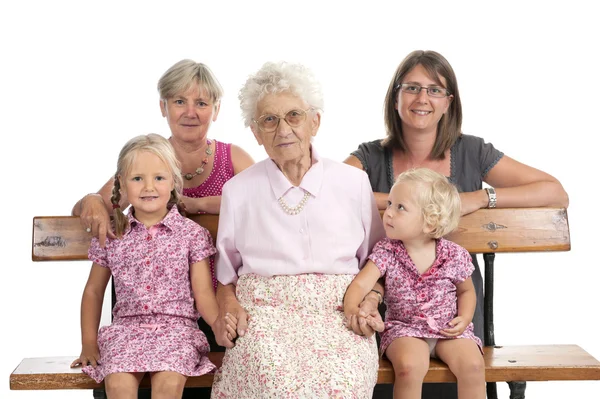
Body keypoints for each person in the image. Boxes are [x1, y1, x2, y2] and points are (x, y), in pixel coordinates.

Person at [344, 49, 569, 398]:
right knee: (406, 367)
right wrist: (398, 202)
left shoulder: (472, 152)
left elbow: (554, 192)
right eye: (412, 88)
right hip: (393, 309)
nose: (423, 98)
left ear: (449, 102)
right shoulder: (371, 156)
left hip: (453, 305)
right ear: (395, 97)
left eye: (435, 90)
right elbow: (323, 193)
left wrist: (479, 198)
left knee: (465, 365)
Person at [71, 60, 254, 396]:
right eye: (179, 101)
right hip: (134, 316)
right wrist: (92, 200)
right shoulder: (144, 159)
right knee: (121, 381)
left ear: (215, 109)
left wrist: (201, 205)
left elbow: (269, 202)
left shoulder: (233, 159)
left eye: (201, 103)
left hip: (209, 307)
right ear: (163, 106)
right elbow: (94, 205)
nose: (190, 111)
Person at [210, 61, 386, 398]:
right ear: (256, 133)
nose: (283, 129)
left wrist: (372, 298)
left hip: (340, 315)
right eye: (269, 120)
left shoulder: (353, 182)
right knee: (272, 382)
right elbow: (226, 276)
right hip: (265, 317)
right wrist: (229, 306)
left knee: (341, 385)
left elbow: (377, 263)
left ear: (314, 121)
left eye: (294, 115)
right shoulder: (239, 189)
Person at [70, 134, 218, 399]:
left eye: (159, 178)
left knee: (168, 384)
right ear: (122, 185)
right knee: (118, 385)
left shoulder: (191, 235)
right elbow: (93, 291)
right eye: (137, 178)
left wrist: (218, 325)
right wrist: (89, 344)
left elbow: (204, 294)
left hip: (177, 332)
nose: (148, 186)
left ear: (173, 181)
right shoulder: (112, 234)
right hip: (125, 331)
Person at [344, 168, 485, 399]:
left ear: (430, 223)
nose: (388, 213)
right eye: (389, 203)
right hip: (404, 329)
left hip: (447, 329)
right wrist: (351, 309)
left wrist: (465, 318)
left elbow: (466, 290)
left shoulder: (453, 254)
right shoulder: (387, 251)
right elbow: (360, 285)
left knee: (473, 366)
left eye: (400, 207)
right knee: (409, 367)